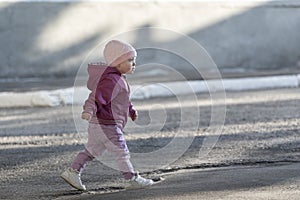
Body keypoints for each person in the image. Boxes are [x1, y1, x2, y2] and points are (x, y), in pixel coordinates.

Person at [61, 40, 154, 191]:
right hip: (107, 125)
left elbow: (121, 100)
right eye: (130, 60)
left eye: (134, 60)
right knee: (121, 151)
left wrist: (130, 110)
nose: (134, 64)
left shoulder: (118, 78)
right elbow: (96, 97)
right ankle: (132, 179)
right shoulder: (112, 80)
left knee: (91, 151)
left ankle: (73, 171)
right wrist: (88, 110)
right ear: (117, 63)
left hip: (99, 125)